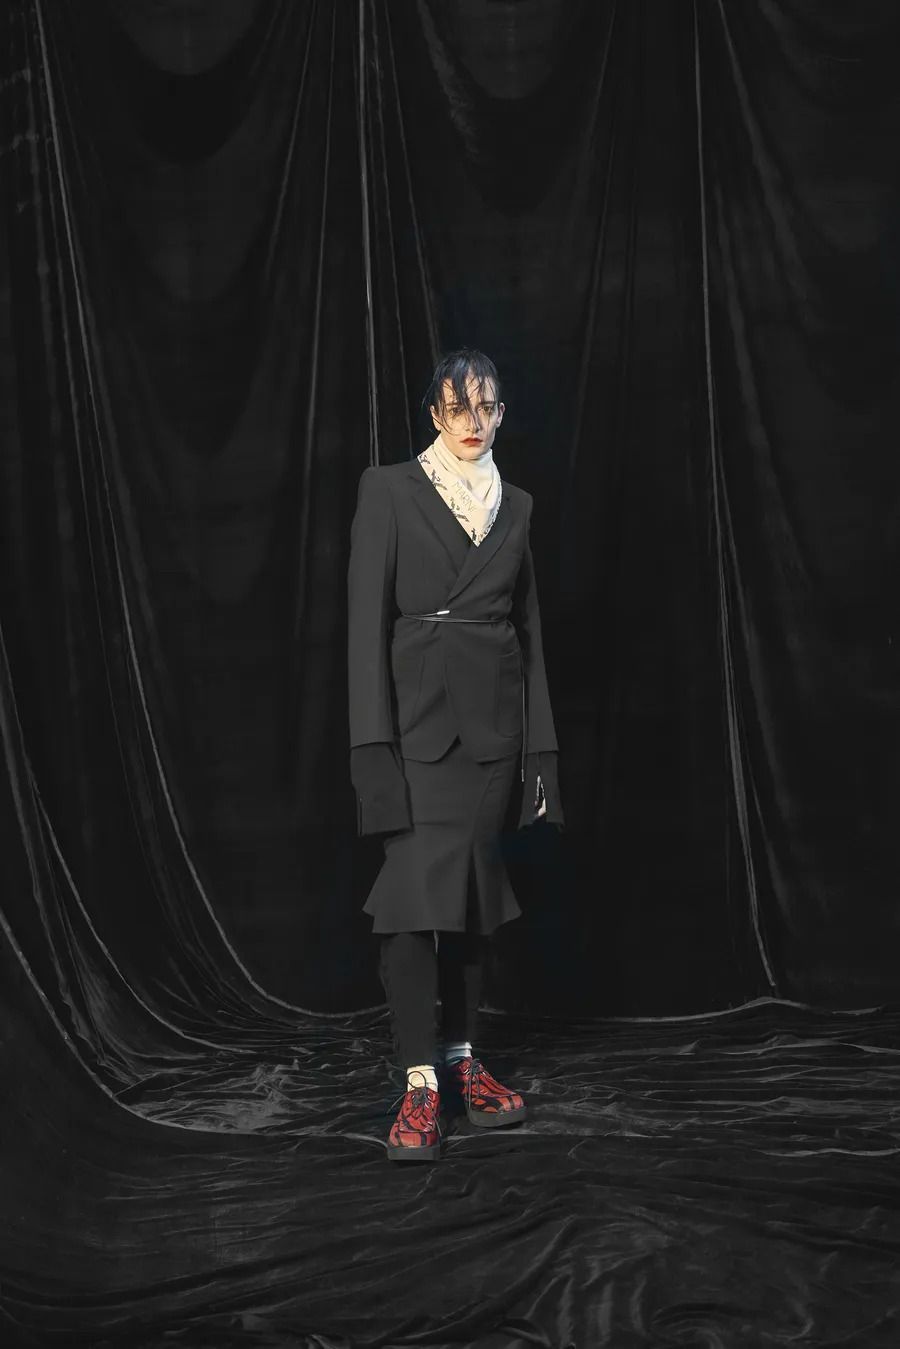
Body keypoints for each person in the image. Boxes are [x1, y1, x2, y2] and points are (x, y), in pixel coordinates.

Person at [347, 348, 564, 1163]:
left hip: (493, 736)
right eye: (457, 407)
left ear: (501, 413)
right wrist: (371, 748)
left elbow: (530, 636)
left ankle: (464, 1060)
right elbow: (364, 628)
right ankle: (420, 1082)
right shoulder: (388, 490)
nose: (473, 422)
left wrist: (540, 753)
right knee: (410, 903)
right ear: (434, 413)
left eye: (487, 406)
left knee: (473, 898)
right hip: (415, 732)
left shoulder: (518, 506)